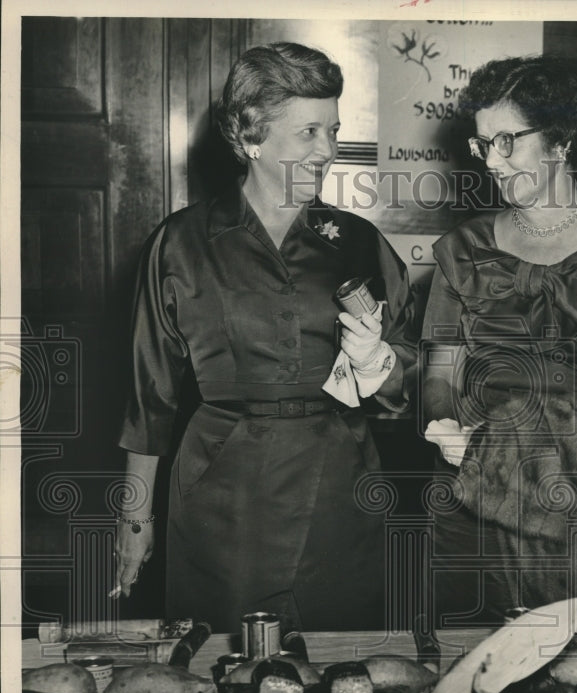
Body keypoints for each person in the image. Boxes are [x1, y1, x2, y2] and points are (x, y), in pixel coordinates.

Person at [114, 42, 417, 632]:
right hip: (222, 492)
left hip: (341, 485)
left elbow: (409, 375)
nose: (328, 150)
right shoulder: (180, 244)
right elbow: (148, 394)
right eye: (308, 132)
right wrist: (134, 518)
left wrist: (381, 362)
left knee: (342, 665)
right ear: (251, 135)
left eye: (333, 129)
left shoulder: (357, 241)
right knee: (215, 669)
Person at [421, 56, 577, 626]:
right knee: (465, 676)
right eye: (482, 145)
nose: (492, 161)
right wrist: (445, 427)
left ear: (559, 140)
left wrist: (508, 441)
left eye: (507, 140)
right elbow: (439, 372)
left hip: (572, 510)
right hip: (467, 503)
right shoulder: (462, 249)